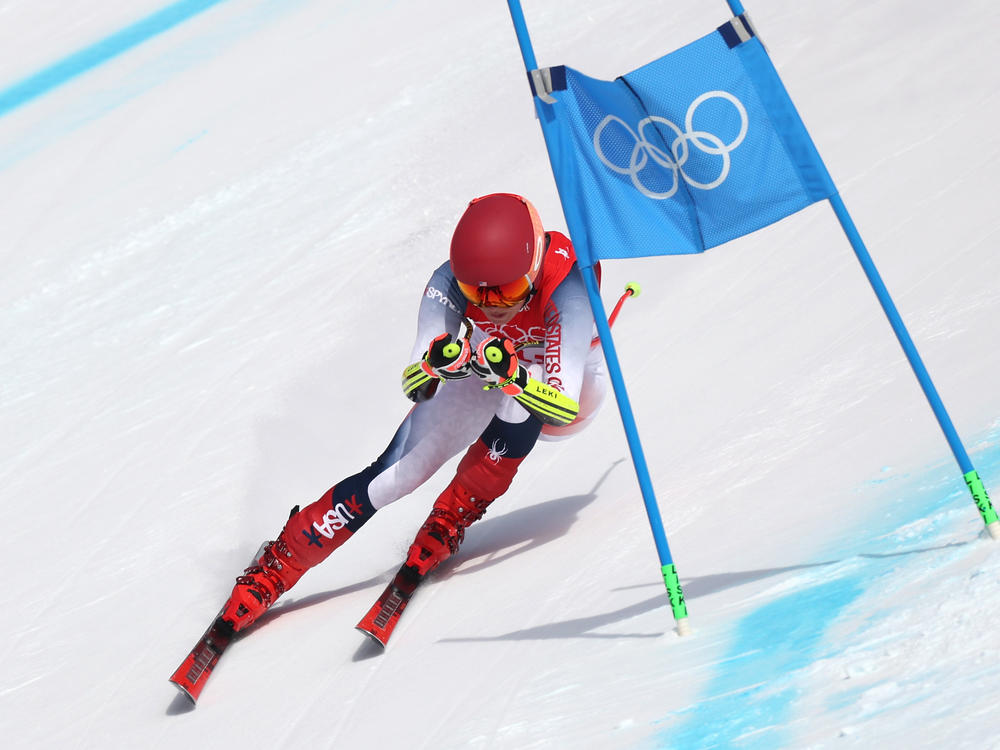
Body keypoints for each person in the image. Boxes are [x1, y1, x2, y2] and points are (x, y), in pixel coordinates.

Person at [219, 193, 608, 632]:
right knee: (394, 474)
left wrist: (513, 373)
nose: (495, 304)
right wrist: (434, 365)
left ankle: (453, 513)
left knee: (518, 400)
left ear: (534, 267)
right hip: (494, 368)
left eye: (509, 290)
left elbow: (563, 408)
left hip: (569, 389)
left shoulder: (568, 284)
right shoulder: (448, 280)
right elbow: (415, 386)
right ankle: (281, 560)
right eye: (477, 293)